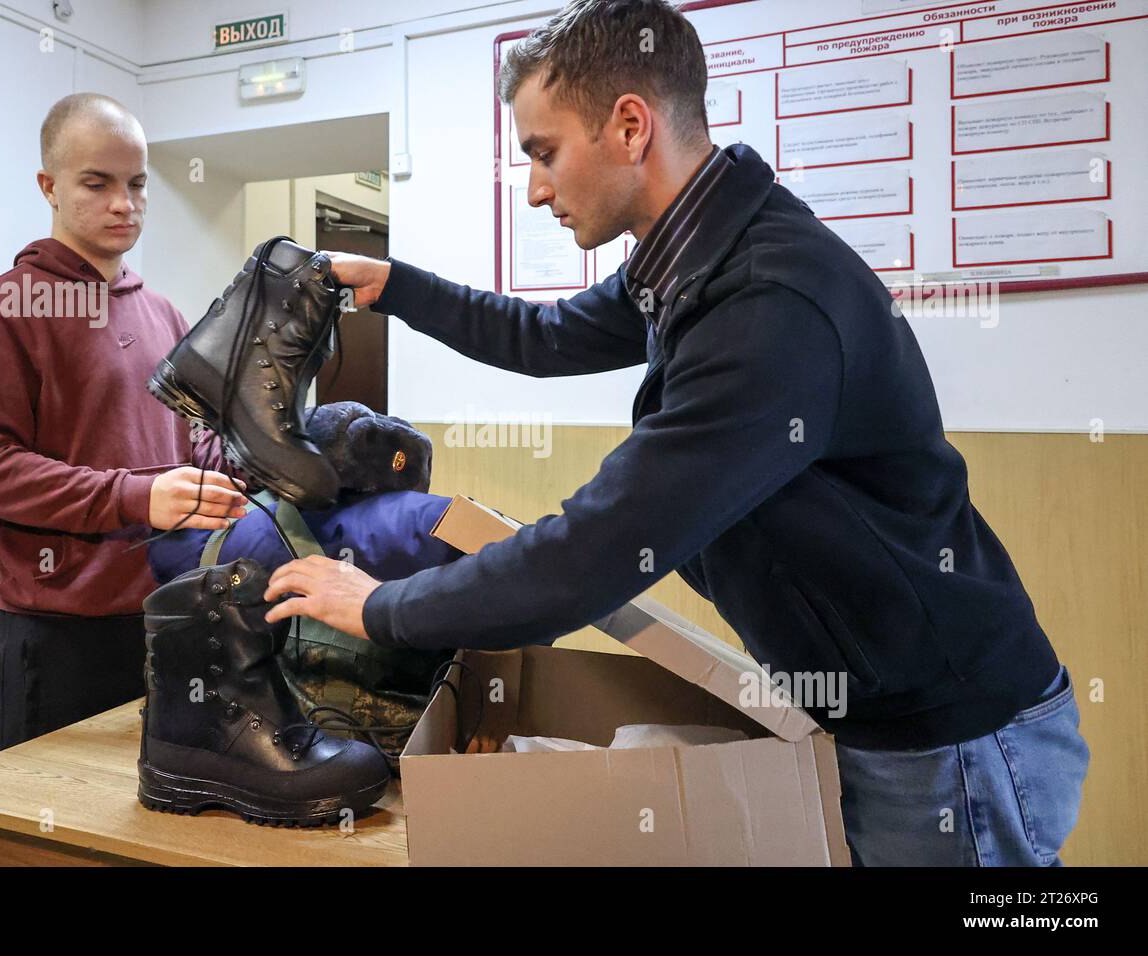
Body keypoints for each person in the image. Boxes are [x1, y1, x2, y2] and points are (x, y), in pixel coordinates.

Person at [259, 0, 1089, 866]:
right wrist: (392, 285)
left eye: (544, 153)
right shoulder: (689, 254)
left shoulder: (767, 301)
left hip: (950, 734)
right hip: (881, 706)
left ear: (628, 126)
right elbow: (544, 338)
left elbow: (599, 549)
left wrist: (382, 607)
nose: (537, 187)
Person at [0, 93, 247, 757]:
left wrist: (245, 460)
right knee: (34, 853)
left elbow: (190, 441)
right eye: (98, 183)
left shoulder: (164, 313)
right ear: (48, 187)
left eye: (137, 184)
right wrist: (133, 497)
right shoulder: (2, 312)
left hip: (161, 622)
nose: (124, 203)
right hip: (52, 641)